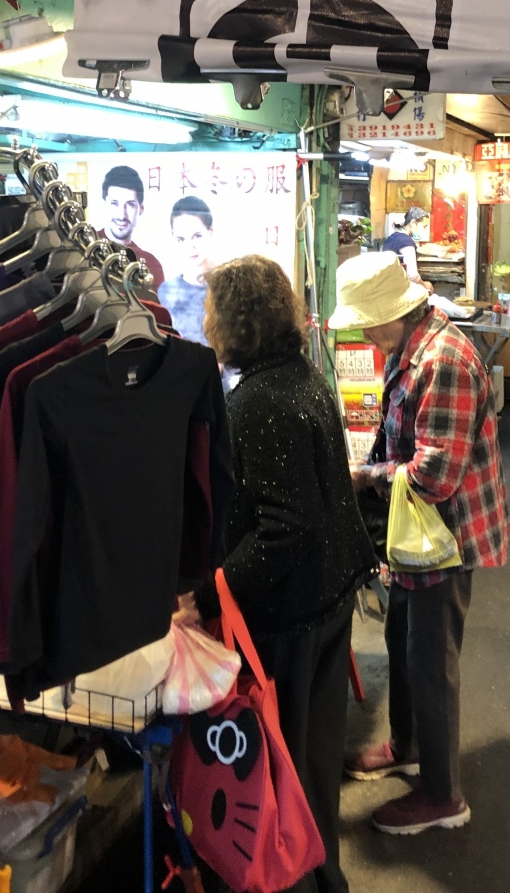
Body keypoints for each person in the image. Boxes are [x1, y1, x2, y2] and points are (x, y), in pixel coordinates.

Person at [179, 255, 376, 893]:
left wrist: (210, 593)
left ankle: (293, 881)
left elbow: (284, 527)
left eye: (212, 311)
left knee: (278, 778)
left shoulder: (259, 401)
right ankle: (323, 879)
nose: (205, 322)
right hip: (326, 600)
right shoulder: (299, 377)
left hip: (290, 619)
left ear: (235, 321)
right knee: (313, 768)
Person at [334, 253, 508, 835]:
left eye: (367, 322)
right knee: (403, 642)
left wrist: (365, 478)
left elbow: (435, 476)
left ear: (396, 312)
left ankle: (442, 795)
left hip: (444, 535)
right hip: (415, 533)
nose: (363, 334)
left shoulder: (444, 360)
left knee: (432, 663)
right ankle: (408, 746)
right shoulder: (408, 349)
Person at [159, 196, 215, 345]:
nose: (190, 246)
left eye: (197, 236)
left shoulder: (231, 286)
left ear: (210, 231)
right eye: (181, 239)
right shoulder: (167, 292)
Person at [97, 165, 165, 287]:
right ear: (104, 205)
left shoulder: (151, 266)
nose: (121, 215)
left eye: (130, 205)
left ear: (141, 208)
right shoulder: (83, 249)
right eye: (114, 203)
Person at [382, 206, 429, 283]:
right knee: (429, 285)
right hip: (398, 284)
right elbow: (412, 276)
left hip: (387, 283)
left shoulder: (392, 237)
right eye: (424, 226)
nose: (424, 230)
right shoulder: (406, 242)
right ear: (413, 223)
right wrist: (424, 284)